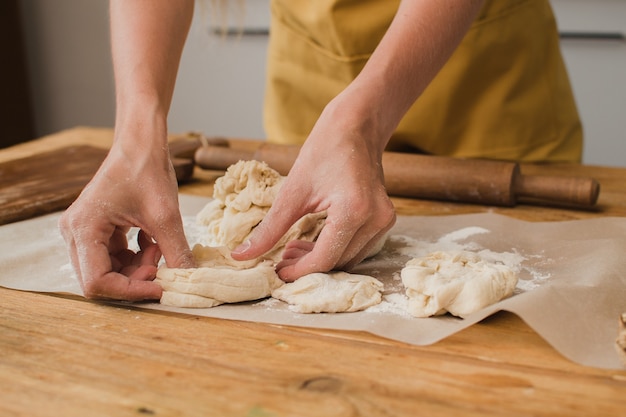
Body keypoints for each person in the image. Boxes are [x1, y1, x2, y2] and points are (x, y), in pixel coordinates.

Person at [59, 0, 582, 302]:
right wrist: (136, 133)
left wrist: (361, 120)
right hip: (312, 85)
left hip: (483, 86)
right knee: (293, 226)